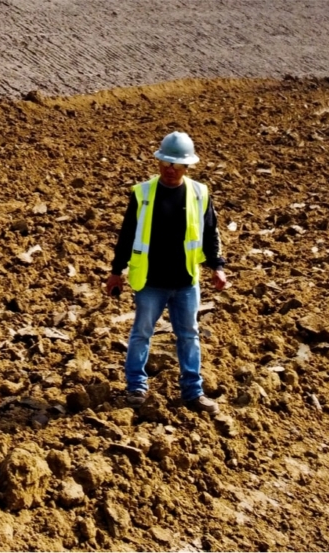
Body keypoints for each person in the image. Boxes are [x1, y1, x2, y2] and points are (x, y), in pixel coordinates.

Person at [106, 131, 226, 414]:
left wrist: (217, 267)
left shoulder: (199, 193)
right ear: (158, 163)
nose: (171, 170)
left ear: (187, 166)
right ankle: (136, 387)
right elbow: (127, 235)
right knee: (141, 333)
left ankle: (193, 393)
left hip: (186, 281)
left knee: (188, 335)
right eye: (166, 164)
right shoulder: (143, 193)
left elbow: (211, 233)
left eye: (177, 165)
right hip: (151, 281)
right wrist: (116, 272)